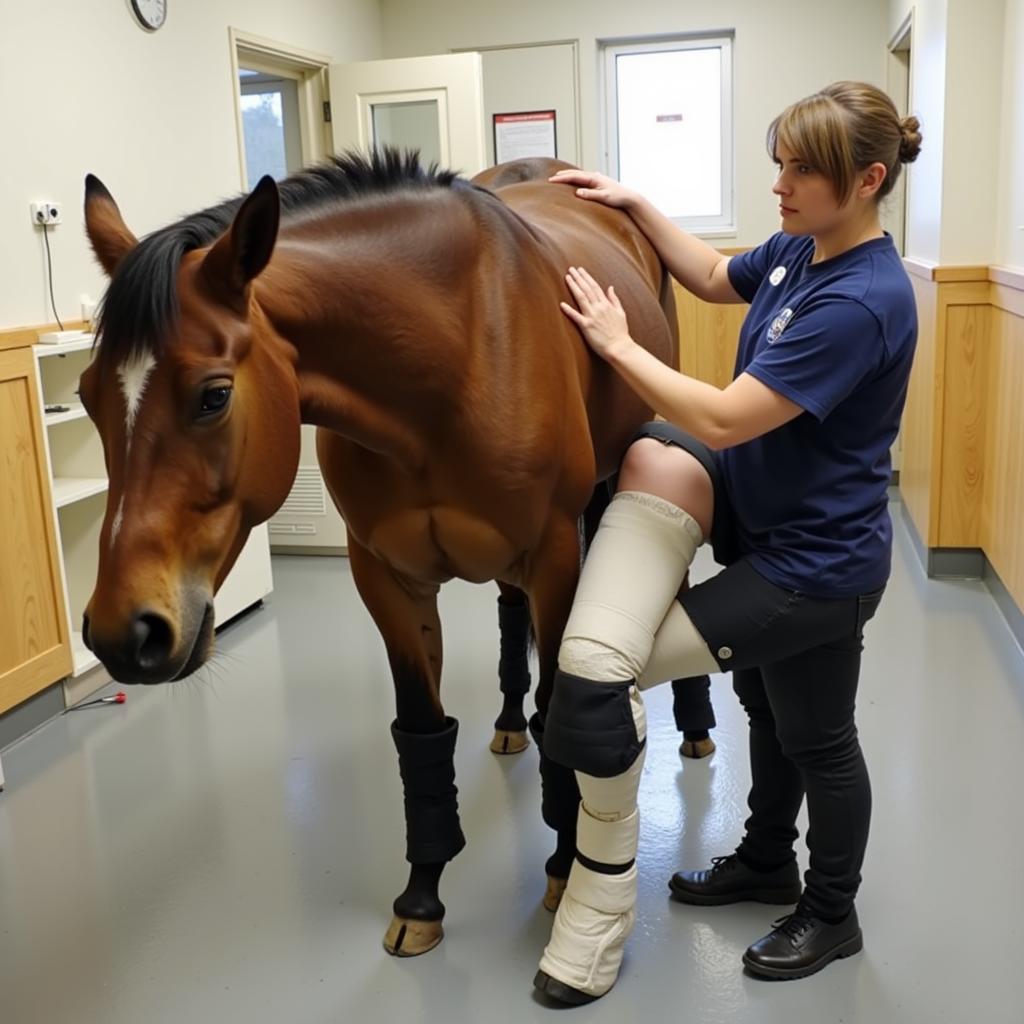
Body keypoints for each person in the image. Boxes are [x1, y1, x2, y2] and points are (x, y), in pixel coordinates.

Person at [531, 81, 922, 1004]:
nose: (779, 184)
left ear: (868, 179)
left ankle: (832, 913)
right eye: (778, 162)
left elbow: (723, 415)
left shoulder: (861, 301)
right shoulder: (805, 250)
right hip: (769, 532)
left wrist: (619, 345)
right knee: (769, 710)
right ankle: (763, 862)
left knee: (815, 737)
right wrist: (634, 203)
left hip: (813, 570)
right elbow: (713, 275)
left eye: (801, 171)